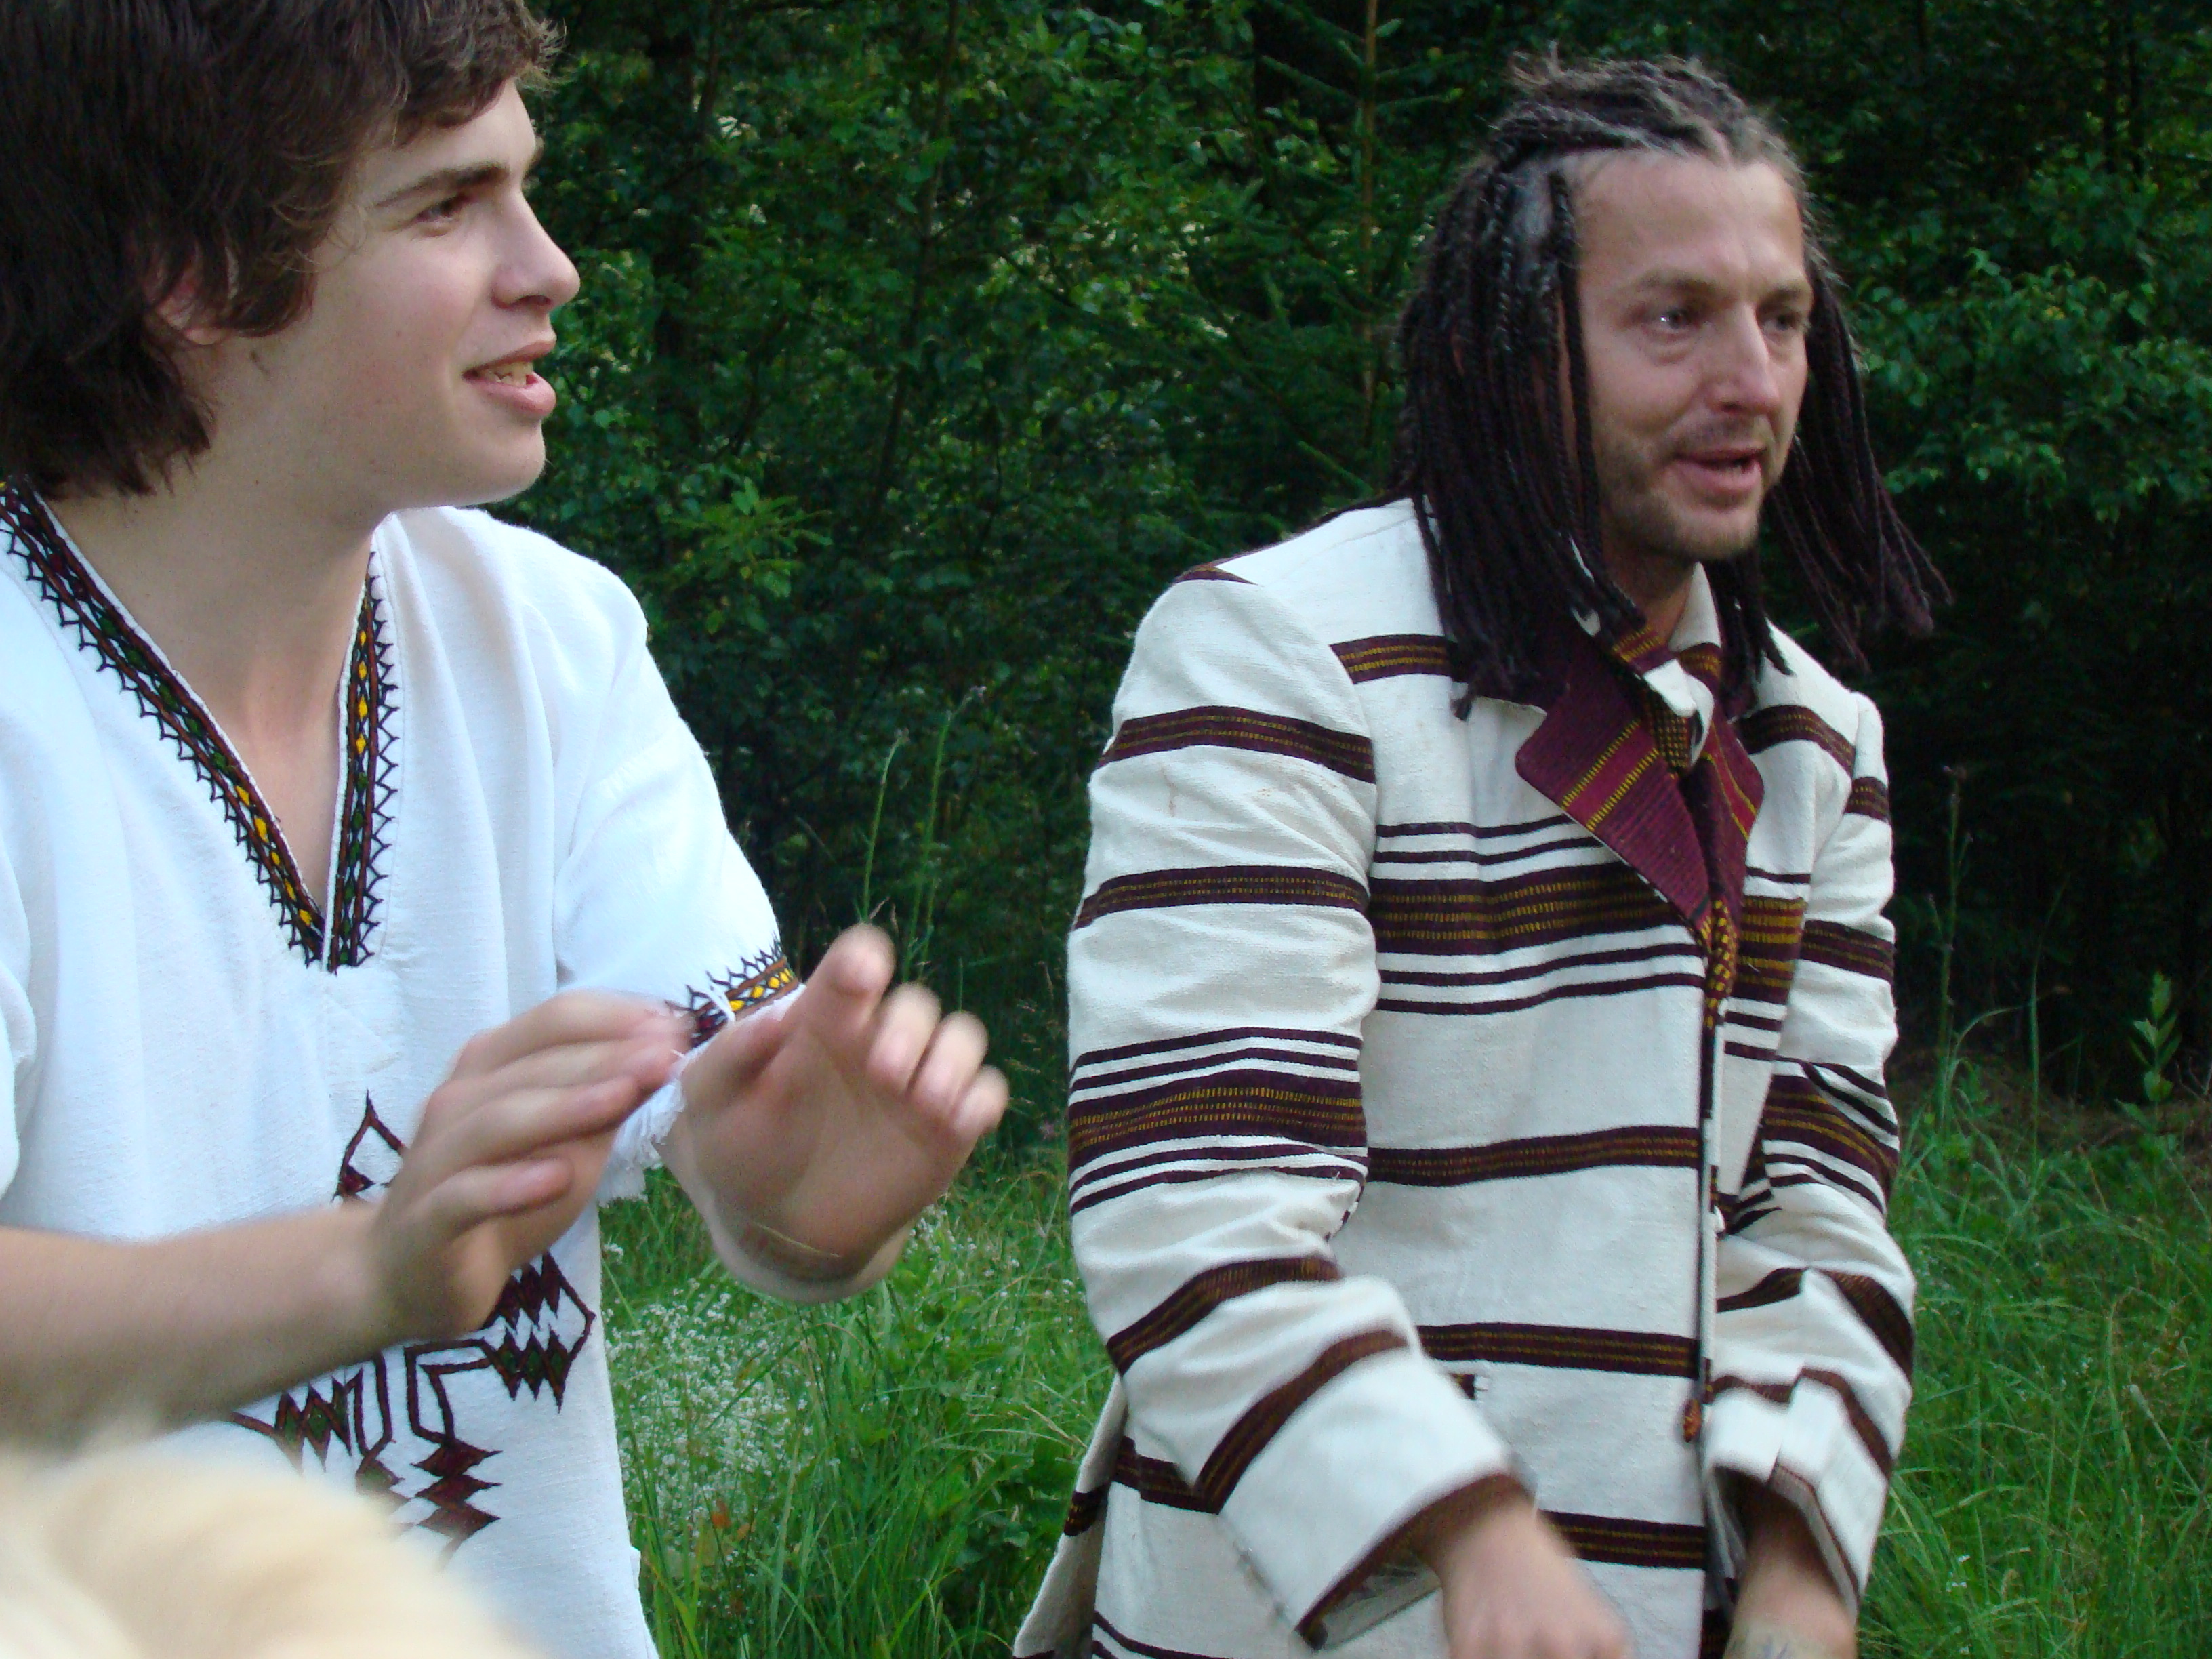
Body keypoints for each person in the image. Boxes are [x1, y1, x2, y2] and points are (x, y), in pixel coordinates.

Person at [0, 5, 1006, 1656]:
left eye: (523, 190)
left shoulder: (550, 639)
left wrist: (803, 1197)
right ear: (191, 270)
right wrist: (372, 1275)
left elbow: (741, 1157)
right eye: (447, 205)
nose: (550, 268)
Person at [1017, 57, 1942, 1659]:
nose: (1751, 380)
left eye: (1783, 319)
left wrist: (1801, 1568)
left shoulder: (1812, 742)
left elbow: (1814, 1209)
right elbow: (1196, 1201)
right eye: (1674, 318)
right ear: (1517, 349)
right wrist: (1474, 1532)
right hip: (1306, 1613)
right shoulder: (1276, 654)